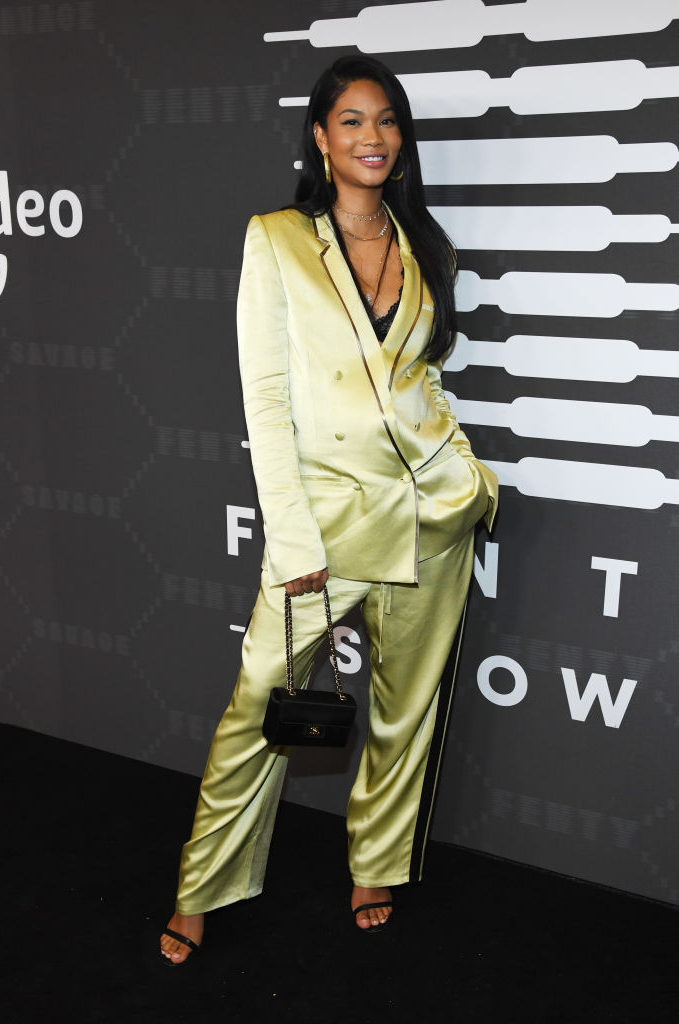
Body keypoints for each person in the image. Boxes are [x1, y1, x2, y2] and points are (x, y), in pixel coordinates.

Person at [160, 54, 498, 965]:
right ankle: (204, 885)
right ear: (319, 137)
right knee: (252, 712)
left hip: (431, 517)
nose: (373, 137)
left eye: (386, 120)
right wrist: (293, 536)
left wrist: (467, 477)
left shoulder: (427, 244)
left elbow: (417, 380)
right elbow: (265, 400)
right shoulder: (276, 239)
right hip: (324, 529)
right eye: (351, 121)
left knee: (405, 709)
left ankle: (374, 867)